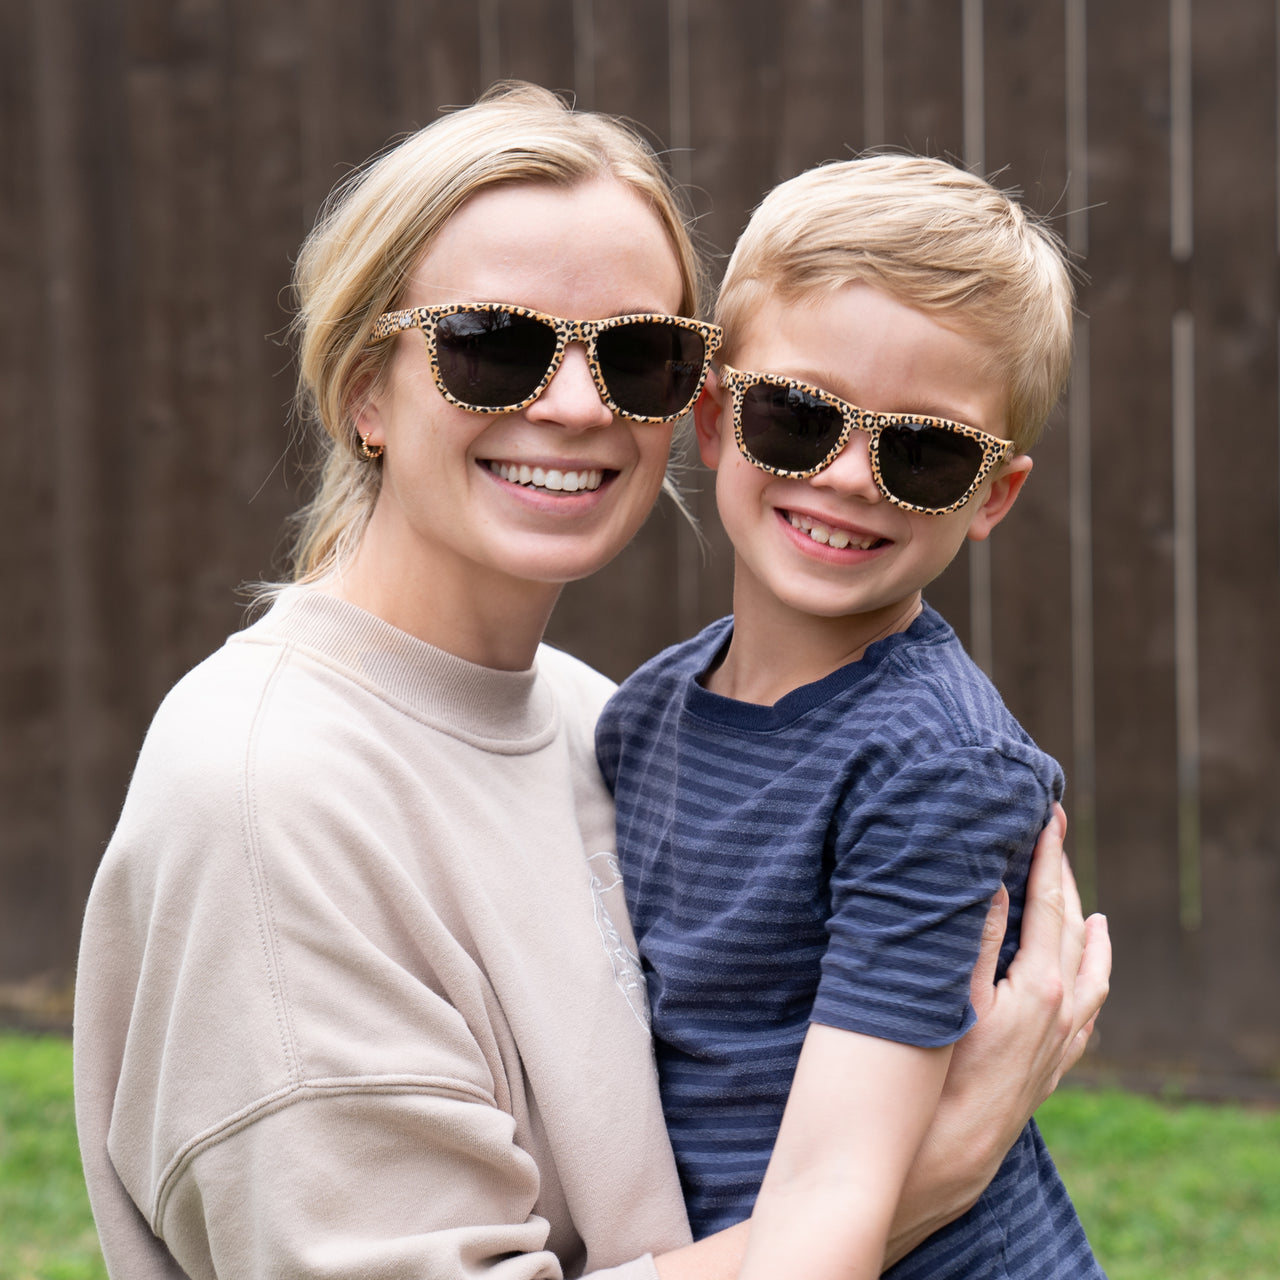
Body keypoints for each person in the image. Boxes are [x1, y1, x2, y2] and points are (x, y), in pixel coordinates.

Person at [73, 85, 1109, 1280]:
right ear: (364, 388)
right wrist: (927, 1177)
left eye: (636, 353)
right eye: (492, 345)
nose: (572, 403)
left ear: (685, 398)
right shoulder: (263, 793)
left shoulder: (595, 715)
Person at [597, 155, 1103, 1278]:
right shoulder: (640, 718)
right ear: (718, 420)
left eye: (923, 451)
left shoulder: (932, 764)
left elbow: (832, 1193)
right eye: (796, 415)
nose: (849, 475)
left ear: (991, 496)